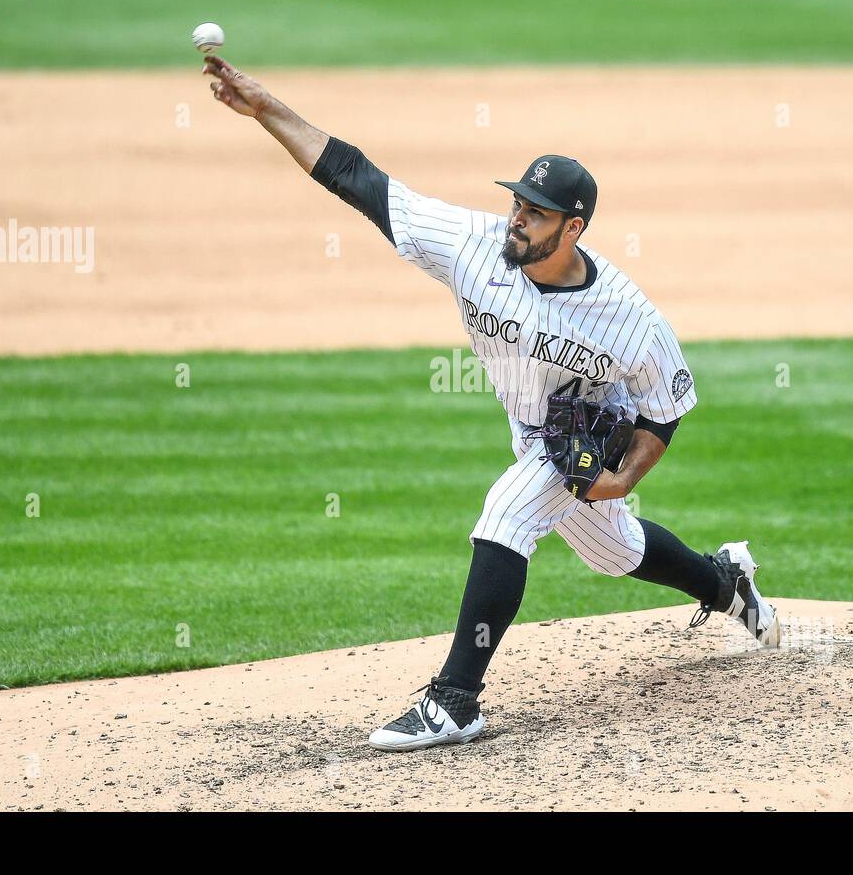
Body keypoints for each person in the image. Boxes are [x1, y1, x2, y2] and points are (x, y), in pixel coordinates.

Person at [202, 56, 782, 753]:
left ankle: (454, 703)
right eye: (516, 203)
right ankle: (726, 584)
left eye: (534, 215)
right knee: (616, 552)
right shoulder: (471, 244)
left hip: (586, 441)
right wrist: (267, 108)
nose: (516, 220)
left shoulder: (628, 316)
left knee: (505, 515)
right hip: (536, 434)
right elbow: (357, 177)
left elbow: (666, 407)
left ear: (573, 229)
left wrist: (622, 477)